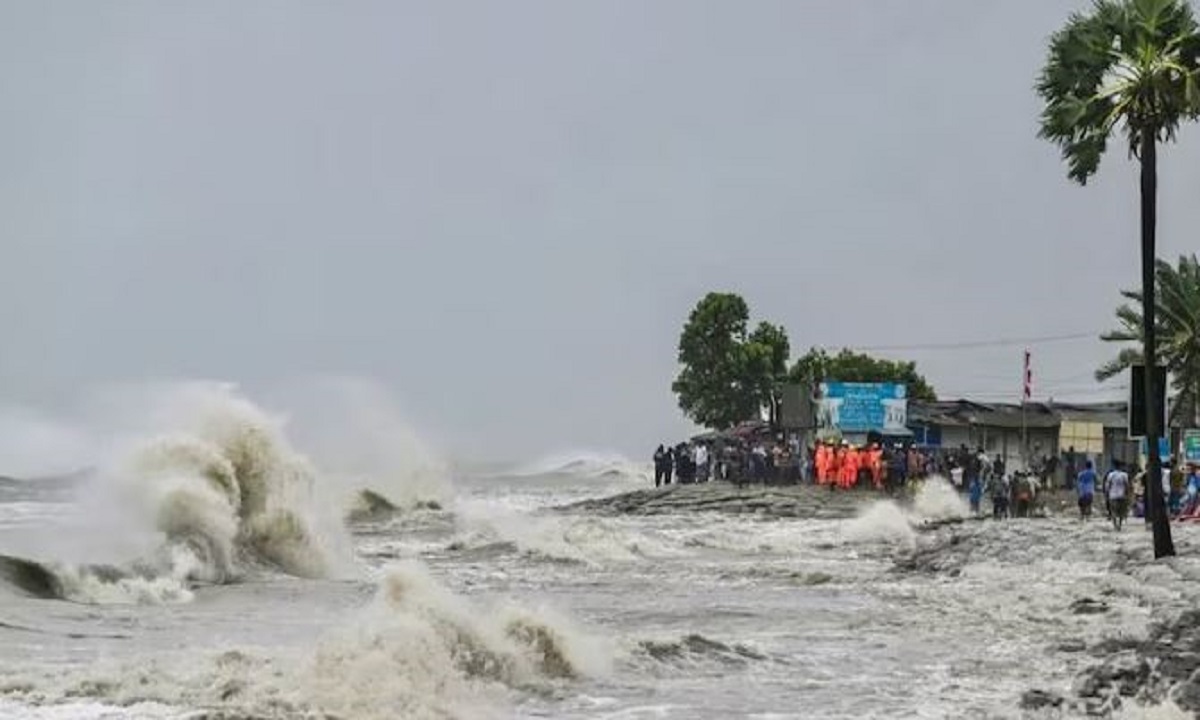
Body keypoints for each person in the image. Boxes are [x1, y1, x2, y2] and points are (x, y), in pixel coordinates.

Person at [1105, 460, 1130, 531]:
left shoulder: (1111, 475)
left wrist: (1107, 493)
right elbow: (1127, 485)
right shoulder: (1124, 475)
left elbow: (1108, 485)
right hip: (1122, 495)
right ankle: (1120, 524)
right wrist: (1127, 494)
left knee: (1113, 511)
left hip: (1112, 495)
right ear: (1121, 467)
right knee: (1121, 511)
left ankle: (1115, 525)